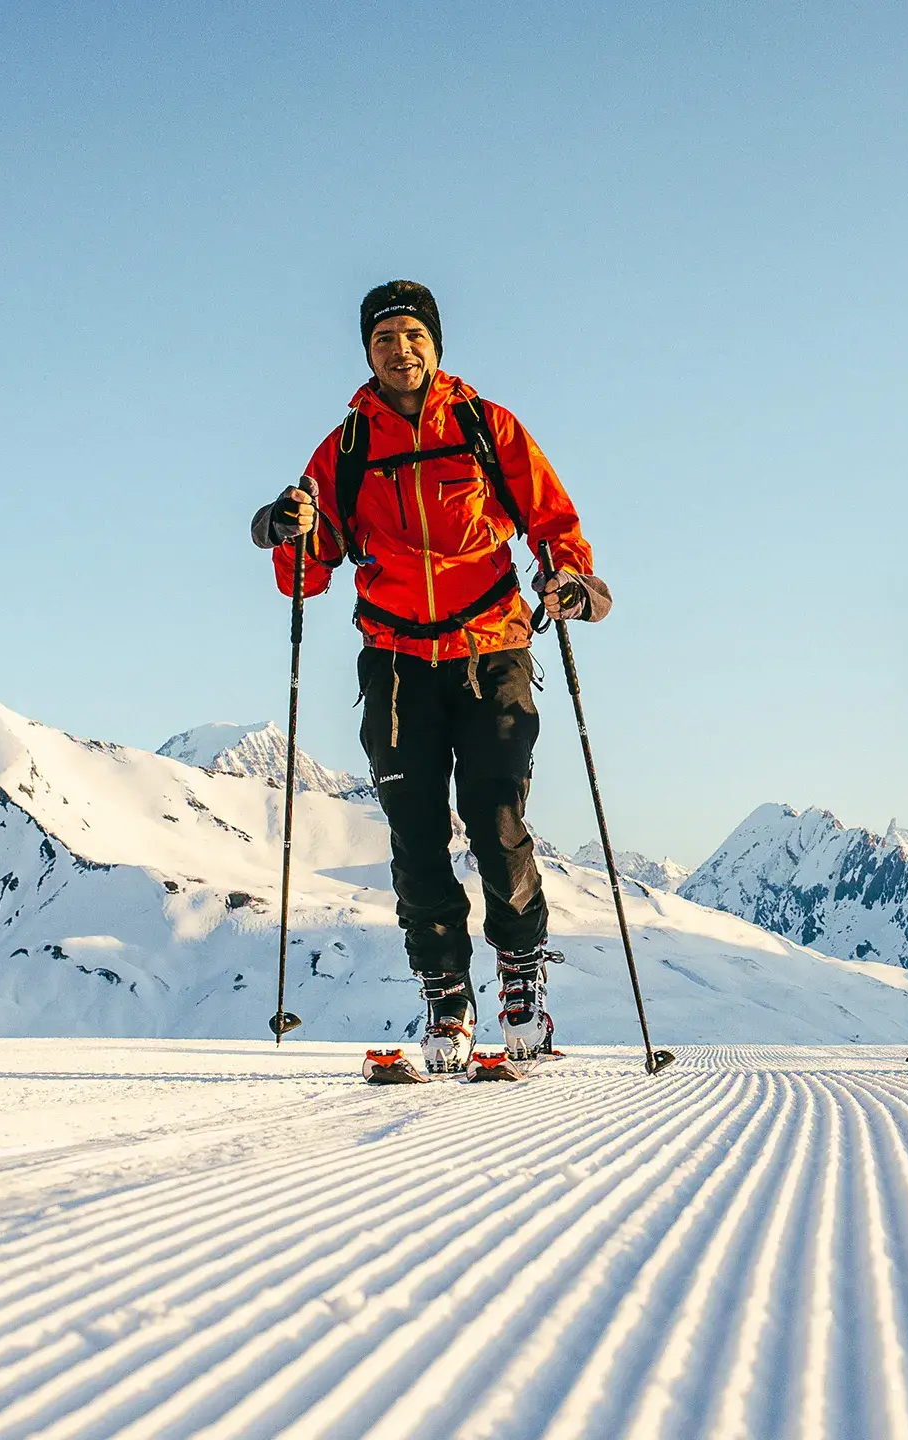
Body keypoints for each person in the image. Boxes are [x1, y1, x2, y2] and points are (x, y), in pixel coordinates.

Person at [252, 281, 610, 1073]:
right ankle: (447, 1001)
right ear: (368, 355)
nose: (400, 351)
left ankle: (521, 987)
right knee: (416, 835)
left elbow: (554, 526)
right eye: (384, 340)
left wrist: (573, 583)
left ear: (436, 346)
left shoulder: (488, 428)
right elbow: (307, 573)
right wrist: (290, 530)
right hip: (396, 663)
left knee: (495, 819)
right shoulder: (345, 449)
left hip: (492, 654)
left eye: (413, 336)